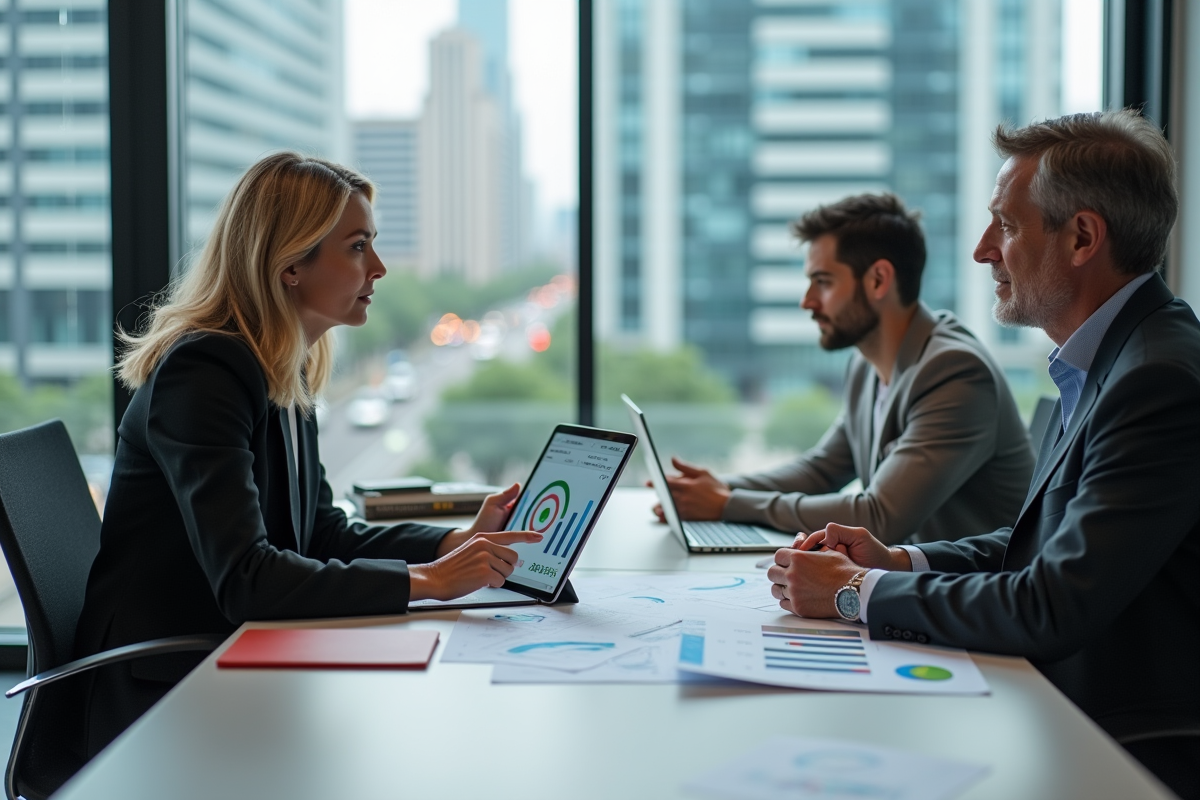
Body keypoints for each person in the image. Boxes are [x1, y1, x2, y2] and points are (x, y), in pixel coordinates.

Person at [768, 110, 1199, 800]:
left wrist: (854, 592)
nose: (981, 251)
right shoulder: (1108, 361)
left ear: (1082, 237)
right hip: (1060, 699)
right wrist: (898, 560)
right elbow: (1043, 545)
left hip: (1119, 738)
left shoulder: (1156, 379)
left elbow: (1052, 603)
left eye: (1005, 225)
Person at [72, 153, 542, 758]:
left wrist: (452, 544)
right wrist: (428, 582)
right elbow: (247, 579)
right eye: (358, 247)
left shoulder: (280, 366)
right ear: (290, 264)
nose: (379, 267)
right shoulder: (205, 372)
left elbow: (319, 533)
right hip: (161, 697)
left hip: (231, 660)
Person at [658, 193, 1034, 545]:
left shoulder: (955, 372)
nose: (807, 302)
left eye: (822, 282)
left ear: (878, 280)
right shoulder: (866, 364)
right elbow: (821, 471)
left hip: (967, 586)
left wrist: (727, 504)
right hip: (909, 579)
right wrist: (715, 489)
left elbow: (879, 516)